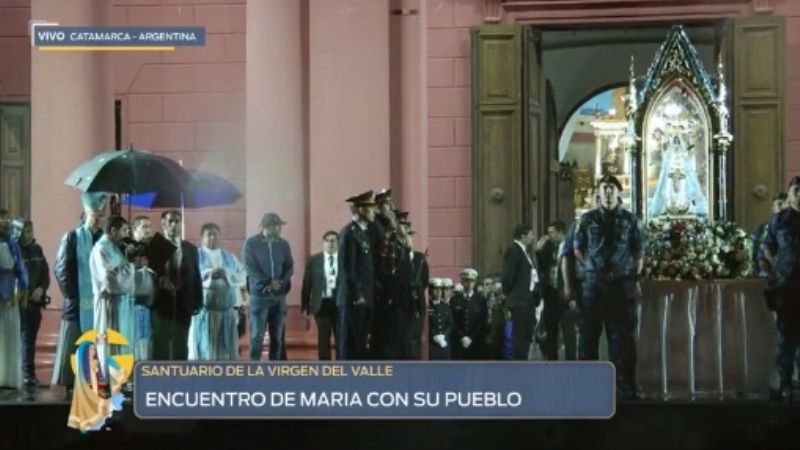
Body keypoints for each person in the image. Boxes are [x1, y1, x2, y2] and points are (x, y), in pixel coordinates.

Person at [574, 174, 644, 400]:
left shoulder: (630, 220)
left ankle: (625, 387)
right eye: (604, 188)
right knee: (588, 338)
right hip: (593, 286)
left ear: (618, 192)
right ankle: (587, 389)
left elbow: (638, 251)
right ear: (598, 192)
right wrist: (590, 267)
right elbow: (578, 248)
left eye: (611, 188)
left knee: (623, 339)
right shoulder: (587, 219)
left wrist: (634, 275)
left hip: (621, 286)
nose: (607, 192)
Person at [52, 193, 106, 394]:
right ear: (86, 214)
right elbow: (61, 269)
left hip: (99, 302)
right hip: (77, 301)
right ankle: (69, 382)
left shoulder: (103, 239)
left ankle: (93, 379)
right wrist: (74, 295)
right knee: (73, 340)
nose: (99, 219)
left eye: (101, 215)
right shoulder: (72, 237)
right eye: (95, 215)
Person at [762, 176, 800, 400]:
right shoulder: (779, 220)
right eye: (796, 190)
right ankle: (785, 382)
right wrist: (777, 268)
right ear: (790, 194)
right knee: (786, 336)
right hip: (786, 286)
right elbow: (768, 247)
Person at [89, 216, 138, 387]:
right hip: (109, 303)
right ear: (113, 231)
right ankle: (109, 382)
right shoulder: (101, 249)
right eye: (124, 230)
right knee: (110, 342)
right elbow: (110, 280)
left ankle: (120, 379)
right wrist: (131, 266)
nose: (126, 235)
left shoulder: (115, 248)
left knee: (122, 342)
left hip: (122, 303)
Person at [190, 223, 247, 361]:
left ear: (220, 237)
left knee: (226, 350)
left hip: (226, 313)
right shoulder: (195, 255)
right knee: (206, 349)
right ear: (202, 238)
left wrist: (226, 273)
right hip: (205, 313)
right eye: (208, 234)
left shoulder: (229, 257)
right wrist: (210, 274)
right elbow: (190, 276)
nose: (212, 237)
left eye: (215, 234)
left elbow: (243, 275)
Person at [151, 210, 202, 361]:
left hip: (183, 302)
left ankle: (180, 373)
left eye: (177, 221)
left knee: (181, 342)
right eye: (170, 221)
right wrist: (161, 281)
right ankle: (160, 373)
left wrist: (198, 301)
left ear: (181, 224)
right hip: (161, 302)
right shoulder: (156, 245)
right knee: (161, 342)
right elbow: (149, 275)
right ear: (163, 224)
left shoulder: (191, 249)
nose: (173, 225)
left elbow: (196, 276)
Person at [243, 212, 293, 361]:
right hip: (259, 297)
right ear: (266, 227)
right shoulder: (251, 243)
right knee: (257, 337)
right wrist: (268, 282)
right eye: (277, 226)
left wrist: (281, 282)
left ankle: (274, 369)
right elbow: (250, 267)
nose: (279, 229)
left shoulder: (283, 244)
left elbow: (289, 267)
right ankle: (254, 369)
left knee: (277, 337)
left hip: (279, 296)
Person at [336, 191, 379, 360]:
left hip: (365, 296)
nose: (374, 212)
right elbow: (347, 269)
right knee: (350, 343)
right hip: (353, 299)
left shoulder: (364, 233)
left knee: (361, 342)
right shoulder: (348, 233)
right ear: (361, 210)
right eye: (370, 209)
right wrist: (357, 295)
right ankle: (346, 375)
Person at [14, 220, 50, 390]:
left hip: (36, 302)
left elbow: (45, 273)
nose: (28, 235)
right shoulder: (13, 250)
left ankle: (29, 375)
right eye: (25, 231)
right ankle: (24, 375)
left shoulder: (37, 250)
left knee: (30, 339)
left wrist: (41, 288)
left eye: (30, 231)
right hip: (18, 302)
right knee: (23, 338)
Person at [67, 342, 127, 432]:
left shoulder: (100, 362)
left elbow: (110, 375)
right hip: (88, 394)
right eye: (91, 349)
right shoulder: (82, 366)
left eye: (94, 349)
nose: (93, 351)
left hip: (100, 394)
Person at [501, 224, 540, 360]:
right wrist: (513, 296)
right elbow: (507, 277)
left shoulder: (524, 252)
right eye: (530, 234)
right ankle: (519, 367)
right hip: (520, 302)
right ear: (523, 236)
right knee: (520, 338)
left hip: (527, 302)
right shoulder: (514, 251)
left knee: (526, 336)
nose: (532, 237)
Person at [301, 231, 340, 360]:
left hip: (340, 304)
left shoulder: (344, 259)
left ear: (338, 243)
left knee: (341, 338)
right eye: (327, 241)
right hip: (321, 304)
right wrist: (304, 306)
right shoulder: (313, 260)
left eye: (333, 241)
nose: (330, 243)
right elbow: (307, 284)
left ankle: (342, 366)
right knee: (323, 338)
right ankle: (325, 367)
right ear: (323, 243)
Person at [0, 215, 28, 390]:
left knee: (10, 333)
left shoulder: (13, 245)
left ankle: (9, 377)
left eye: (5, 222)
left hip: (10, 292)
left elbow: (21, 269)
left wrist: (24, 288)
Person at [535, 220, 567, 360]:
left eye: (552, 232)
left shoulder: (570, 247)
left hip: (565, 295)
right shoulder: (550, 248)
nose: (549, 236)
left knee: (567, 330)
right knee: (550, 329)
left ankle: (571, 361)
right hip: (550, 295)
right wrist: (538, 250)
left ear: (560, 232)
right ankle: (552, 360)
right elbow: (543, 267)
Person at [130, 216, 156, 361]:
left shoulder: (155, 247)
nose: (148, 230)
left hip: (151, 305)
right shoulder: (127, 248)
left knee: (148, 343)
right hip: (132, 304)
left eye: (150, 227)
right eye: (144, 227)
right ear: (134, 229)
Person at [450, 268, 488, 360]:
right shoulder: (455, 300)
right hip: (459, 343)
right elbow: (452, 321)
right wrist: (461, 337)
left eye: (472, 281)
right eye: (467, 281)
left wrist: (471, 337)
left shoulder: (481, 300)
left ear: (475, 282)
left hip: (476, 342)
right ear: (462, 282)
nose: (469, 284)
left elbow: (482, 321)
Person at [754, 193, 788, 275]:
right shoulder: (765, 228)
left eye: (786, 204)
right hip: (771, 270)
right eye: (779, 204)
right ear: (773, 208)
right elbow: (763, 253)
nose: (783, 207)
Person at [428, 278, 452, 360]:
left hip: (444, 343)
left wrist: (443, 335)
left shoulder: (446, 307)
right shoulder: (427, 307)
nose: (438, 292)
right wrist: (434, 335)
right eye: (435, 289)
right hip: (432, 345)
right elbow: (427, 324)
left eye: (440, 289)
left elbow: (450, 324)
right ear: (430, 291)